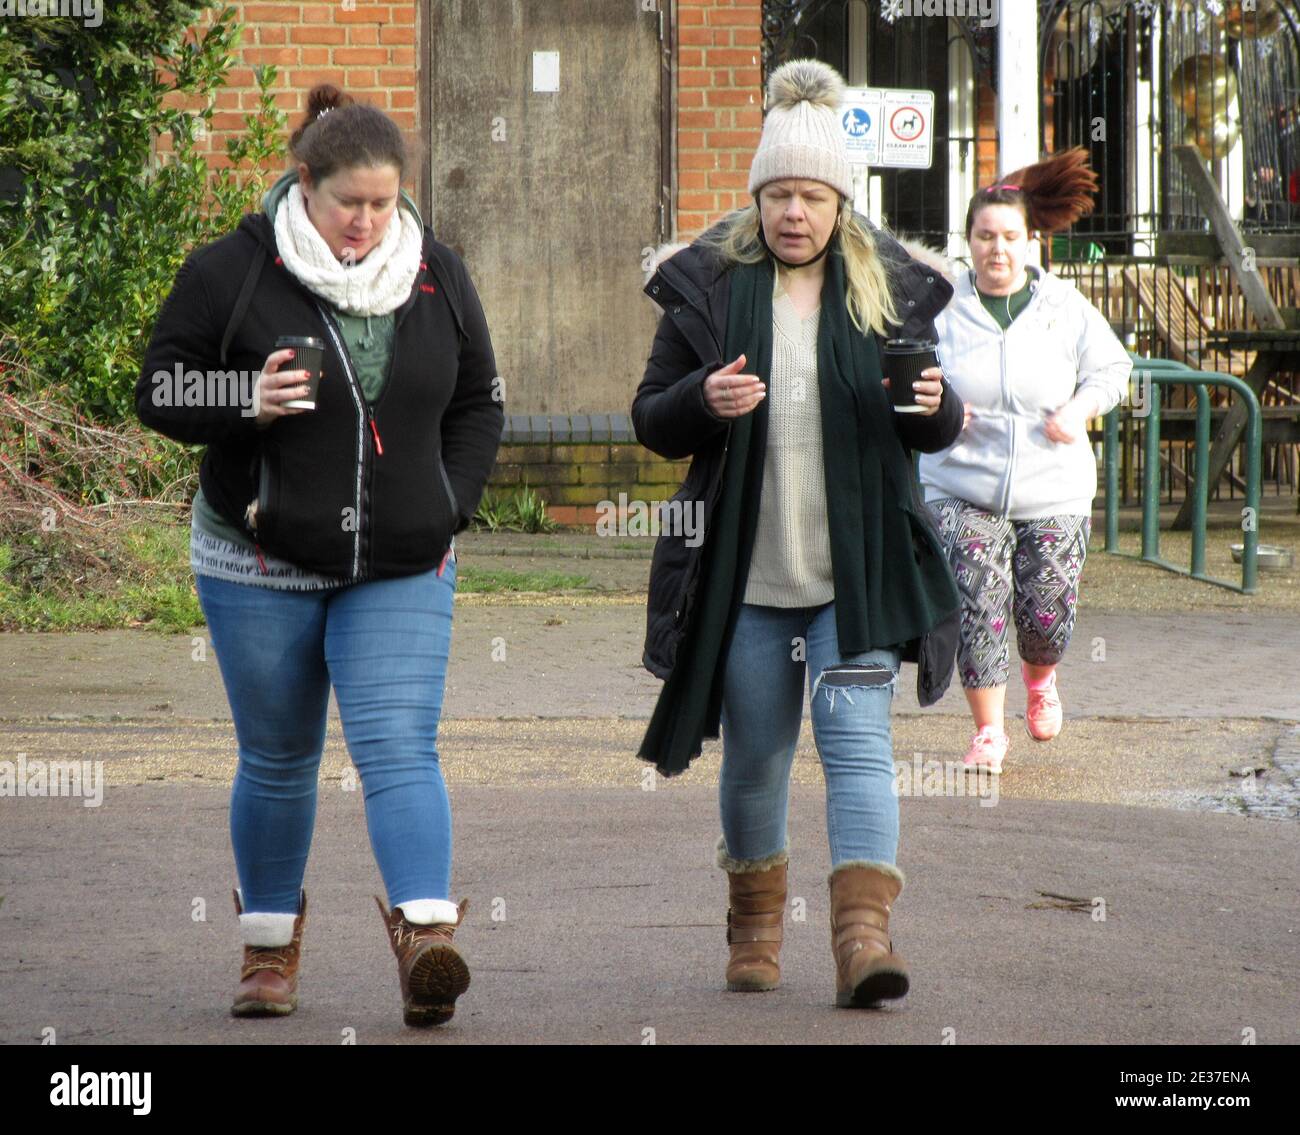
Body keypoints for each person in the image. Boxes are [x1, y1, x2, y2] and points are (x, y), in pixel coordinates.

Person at [135, 85, 503, 1027]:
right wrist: (238, 398)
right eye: (351, 203)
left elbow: (479, 405)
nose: (369, 223)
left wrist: (449, 504)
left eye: (385, 204)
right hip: (258, 558)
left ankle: (427, 938)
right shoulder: (233, 271)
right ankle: (267, 952)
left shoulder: (438, 275)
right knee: (278, 757)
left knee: (398, 746)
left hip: (401, 561)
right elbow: (159, 390)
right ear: (306, 182)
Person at [633, 60, 963, 1008]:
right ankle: (755, 927)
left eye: (812, 196)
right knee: (758, 756)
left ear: (840, 204)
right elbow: (652, 418)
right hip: (746, 579)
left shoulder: (886, 290)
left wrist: (938, 409)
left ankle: (864, 940)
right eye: (777, 193)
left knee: (857, 743)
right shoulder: (707, 290)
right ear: (756, 198)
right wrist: (702, 399)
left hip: (852, 580)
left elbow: (932, 421)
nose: (793, 213)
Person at [919, 148, 1131, 774]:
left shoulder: (1063, 309)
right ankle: (988, 732)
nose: (998, 250)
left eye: (1010, 236)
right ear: (969, 241)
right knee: (976, 597)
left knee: (1046, 610)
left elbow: (1113, 369)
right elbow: (908, 374)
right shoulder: (942, 309)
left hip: (1053, 486)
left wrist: (1080, 409)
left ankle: (1041, 679)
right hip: (961, 483)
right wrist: (941, 407)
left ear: (1030, 238)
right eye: (986, 237)